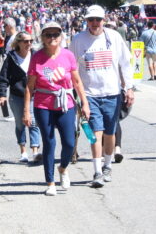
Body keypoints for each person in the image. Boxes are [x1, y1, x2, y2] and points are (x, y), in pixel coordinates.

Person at [23, 21, 90, 196]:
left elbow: (76, 81)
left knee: (69, 142)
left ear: (61, 36)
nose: (52, 38)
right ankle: (50, 182)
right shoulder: (37, 57)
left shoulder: (68, 55)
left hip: (65, 103)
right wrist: (26, 111)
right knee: (49, 142)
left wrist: (84, 102)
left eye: (55, 34)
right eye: (48, 35)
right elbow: (30, 86)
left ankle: (63, 168)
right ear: (43, 38)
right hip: (43, 104)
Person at [70, 5, 133, 188]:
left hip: (112, 93)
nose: (94, 23)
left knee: (109, 133)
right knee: (94, 134)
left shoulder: (113, 37)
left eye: (98, 19)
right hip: (89, 95)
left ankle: (107, 165)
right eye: (91, 20)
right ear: (86, 21)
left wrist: (129, 88)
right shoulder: (78, 40)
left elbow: (126, 63)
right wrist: (72, 92)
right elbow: (71, 67)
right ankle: (97, 171)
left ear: (104, 20)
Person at [0, 31, 41, 163]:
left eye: (31, 41)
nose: (29, 44)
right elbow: (3, 77)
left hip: (34, 94)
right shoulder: (11, 57)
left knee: (33, 121)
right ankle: (23, 151)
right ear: (18, 43)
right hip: (16, 95)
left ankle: (35, 151)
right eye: (25, 41)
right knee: (20, 123)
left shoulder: (35, 55)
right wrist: (2, 95)